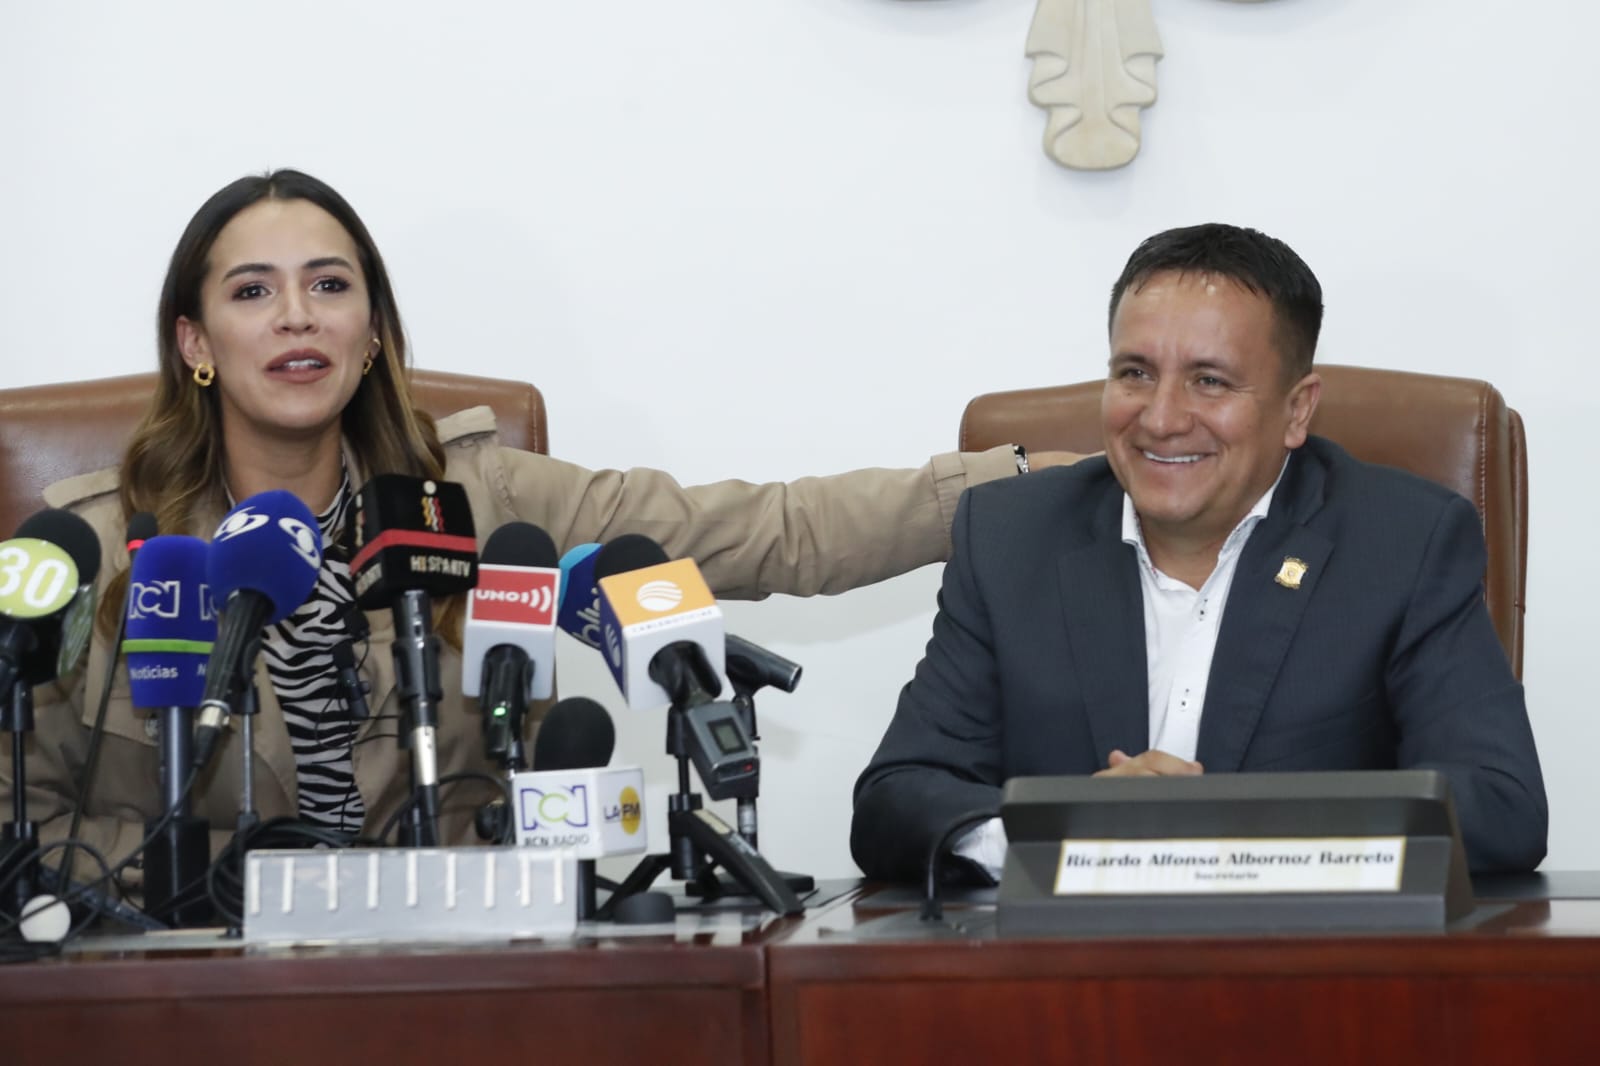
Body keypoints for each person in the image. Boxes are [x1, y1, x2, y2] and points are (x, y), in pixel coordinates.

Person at [7, 168, 1071, 889]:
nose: (297, 316)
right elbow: (21, 820)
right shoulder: (105, 546)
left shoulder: (478, 498)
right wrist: (210, 865)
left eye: (329, 286)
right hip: (194, 983)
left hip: (467, 973)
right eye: (254, 291)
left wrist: (1011, 480)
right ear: (196, 340)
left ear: (370, 333)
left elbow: (762, 531)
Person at [851, 223, 1547, 881]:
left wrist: (1222, 832)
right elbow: (897, 798)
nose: (1161, 417)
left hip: (1304, 979)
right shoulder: (1011, 537)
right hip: (1059, 984)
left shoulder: (1404, 542)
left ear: (1298, 409)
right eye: (1135, 373)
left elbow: (1500, 805)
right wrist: (1057, 832)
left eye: (1210, 381)